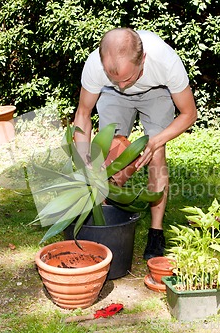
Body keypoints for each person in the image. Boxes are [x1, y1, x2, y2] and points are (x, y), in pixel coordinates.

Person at [73, 27, 198, 260]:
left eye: (128, 78)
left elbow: (189, 114)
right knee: (105, 157)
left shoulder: (164, 60)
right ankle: (105, 223)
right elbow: (83, 114)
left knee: (157, 154)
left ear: (143, 59)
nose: (123, 84)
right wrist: (85, 159)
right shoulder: (96, 66)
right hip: (111, 97)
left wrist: (155, 141)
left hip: (156, 92)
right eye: (115, 78)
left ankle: (156, 231)